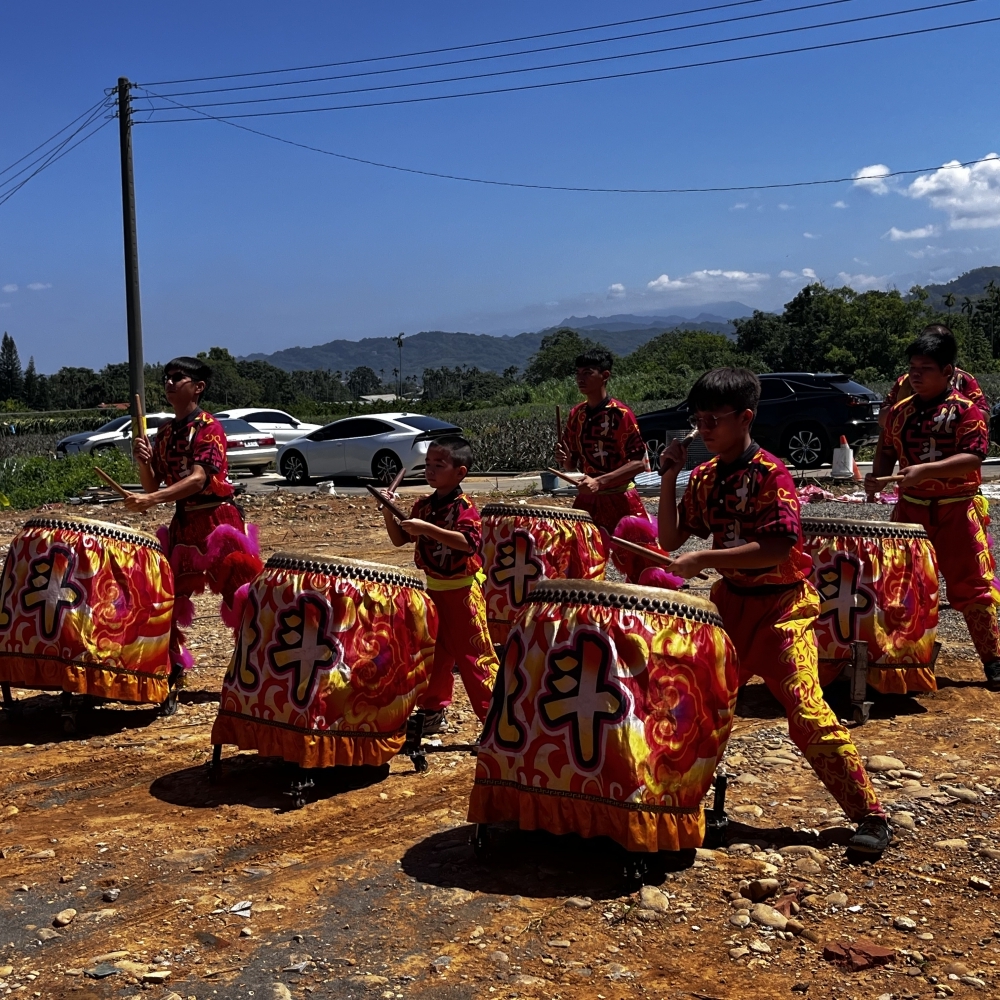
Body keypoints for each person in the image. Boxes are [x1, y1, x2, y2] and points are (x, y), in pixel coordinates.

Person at [658, 367, 891, 855]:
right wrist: (670, 477)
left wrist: (705, 559)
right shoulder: (701, 477)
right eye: (697, 420)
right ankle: (671, 807)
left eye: (712, 420)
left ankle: (869, 813)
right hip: (730, 610)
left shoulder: (770, 472)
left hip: (784, 610)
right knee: (695, 707)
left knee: (806, 709)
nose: (703, 430)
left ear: (745, 417)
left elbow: (778, 547)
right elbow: (671, 540)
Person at [866, 328, 1000, 688]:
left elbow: (974, 456)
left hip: (958, 509)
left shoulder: (967, 409)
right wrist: (877, 479)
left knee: (973, 587)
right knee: (898, 586)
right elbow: (886, 450)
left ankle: (993, 662)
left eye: (925, 368)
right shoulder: (900, 411)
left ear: (948, 371)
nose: (916, 375)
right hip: (911, 511)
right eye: (912, 367)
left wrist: (927, 470)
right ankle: (899, 661)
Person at [125, 358, 262, 689]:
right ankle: (171, 670)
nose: (169, 383)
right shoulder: (167, 432)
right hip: (184, 522)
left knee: (243, 599)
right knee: (166, 597)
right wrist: (143, 460)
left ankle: (258, 670)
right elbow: (150, 485)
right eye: (166, 378)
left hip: (218, 520)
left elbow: (200, 478)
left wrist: (152, 500)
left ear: (198, 387)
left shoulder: (208, 428)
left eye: (178, 377)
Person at [381, 434, 498, 734]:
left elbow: (467, 544)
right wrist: (387, 512)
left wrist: (427, 529)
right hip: (433, 592)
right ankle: (433, 710)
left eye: (439, 464)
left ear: (460, 472)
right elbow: (400, 540)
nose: (430, 470)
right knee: (434, 656)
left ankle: (496, 722)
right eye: (428, 464)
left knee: (475, 657)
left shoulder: (465, 507)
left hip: (462, 594)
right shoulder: (423, 506)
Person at [555, 348, 652, 579]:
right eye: (578, 373)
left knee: (643, 562)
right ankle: (587, 613)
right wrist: (565, 459)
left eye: (588, 373)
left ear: (605, 375)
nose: (580, 378)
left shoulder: (621, 414)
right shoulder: (576, 414)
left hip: (621, 497)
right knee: (579, 562)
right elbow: (572, 466)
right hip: (588, 499)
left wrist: (600, 481)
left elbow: (639, 462)